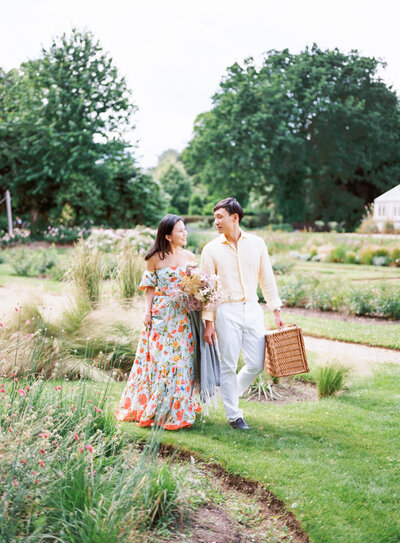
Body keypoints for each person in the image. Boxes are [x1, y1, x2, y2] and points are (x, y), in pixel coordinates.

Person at [200, 198, 285, 431]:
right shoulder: (211, 249)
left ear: (234, 218)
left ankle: (228, 394)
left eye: (220, 217)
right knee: (227, 364)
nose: (216, 221)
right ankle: (234, 415)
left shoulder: (257, 244)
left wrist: (275, 309)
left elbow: (266, 278)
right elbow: (206, 290)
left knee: (256, 363)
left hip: (252, 309)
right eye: (215, 217)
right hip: (226, 311)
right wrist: (209, 322)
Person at [115, 214, 201, 430]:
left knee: (181, 362)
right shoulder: (154, 258)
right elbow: (150, 287)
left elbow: (195, 285)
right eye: (180, 230)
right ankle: (156, 408)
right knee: (162, 363)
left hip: (182, 317)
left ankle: (178, 411)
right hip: (161, 316)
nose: (185, 233)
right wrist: (147, 313)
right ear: (168, 236)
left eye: (184, 229)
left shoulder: (190, 257)